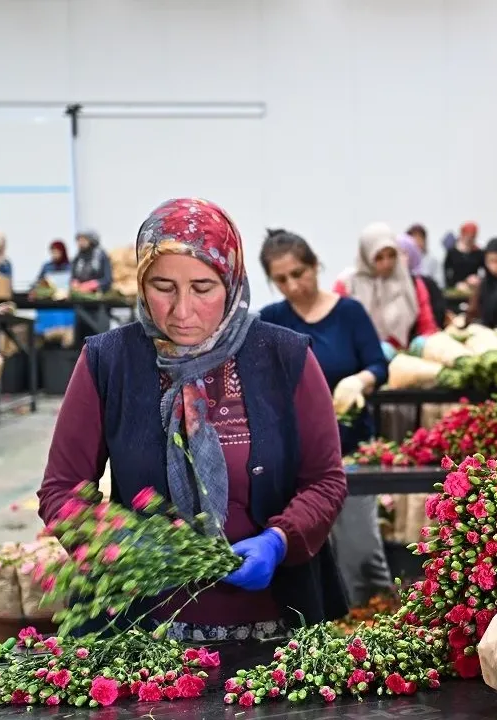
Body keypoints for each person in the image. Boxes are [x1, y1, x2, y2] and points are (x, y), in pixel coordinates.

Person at [38, 198, 348, 640]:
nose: (182, 311)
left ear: (232, 280)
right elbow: (61, 490)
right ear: (141, 284)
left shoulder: (285, 357)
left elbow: (326, 480)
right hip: (142, 629)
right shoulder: (109, 362)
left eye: (203, 288)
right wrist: (116, 548)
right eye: (163, 286)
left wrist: (280, 540)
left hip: (276, 628)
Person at [258, 228, 394, 608]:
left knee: (360, 550)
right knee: (305, 550)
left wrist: (361, 379)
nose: (293, 285)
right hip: (293, 456)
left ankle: (376, 622)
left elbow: (378, 363)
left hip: (349, 450)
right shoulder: (271, 320)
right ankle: (325, 632)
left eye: (299, 273)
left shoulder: (348, 312)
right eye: (281, 279)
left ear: (315, 265)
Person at [333, 222, 438, 349]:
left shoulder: (411, 283)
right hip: (362, 362)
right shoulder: (348, 285)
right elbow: (340, 331)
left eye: (392, 255)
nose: (386, 263)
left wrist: (424, 341)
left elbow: (427, 326)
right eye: (378, 257)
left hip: (404, 360)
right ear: (366, 255)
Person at [398, 233, 447, 329]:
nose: (399, 258)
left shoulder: (426, 284)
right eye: (395, 254)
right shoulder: (384, 285)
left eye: (404, 253)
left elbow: (437, 316)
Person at [444, 221, 485, 289]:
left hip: (473, 288)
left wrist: (478, 279)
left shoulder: (479, 253)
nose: (469, 239)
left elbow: (485, 271)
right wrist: (455, 284)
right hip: (456, 288)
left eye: (472, 236)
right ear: (462, 235)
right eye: (467, 235)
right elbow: (447, 272)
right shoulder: (452, 252)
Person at [70, 229, 113, 293]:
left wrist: (94, 284)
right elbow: (73, 276)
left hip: (98, 294)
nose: (80, 243)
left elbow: (108, 280)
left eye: (83, 240)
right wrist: (74, 282)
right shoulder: (78, 257)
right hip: (80, 293)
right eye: (79, 240)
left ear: (91, 241)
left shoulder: (100, 256)